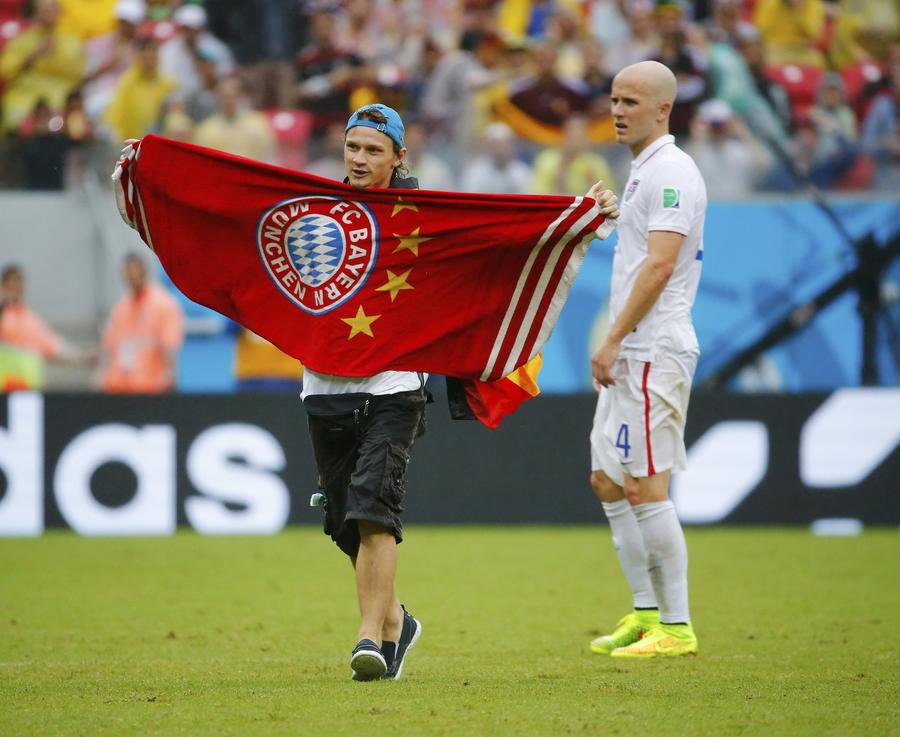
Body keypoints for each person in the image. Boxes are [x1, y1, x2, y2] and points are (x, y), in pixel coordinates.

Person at [306, 103, 619, 680]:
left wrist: (577, 217)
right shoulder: (313, 212)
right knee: (346, 525)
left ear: (401, 157)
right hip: (323, 382)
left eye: (374, 150)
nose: (359, 158)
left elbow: (499, 235)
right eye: (353, 147)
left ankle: (368, 640)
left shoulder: (429, 218)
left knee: (374, 507)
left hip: (397, 382)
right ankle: (398, 620)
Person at [588, 60, 707, 658]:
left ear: (663, 109)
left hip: (651, 348)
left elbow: (660, 265)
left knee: (644, 485)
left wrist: (613, 338)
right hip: (631, 350)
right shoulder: (642, 172)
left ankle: (677, 627)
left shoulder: (672, 174)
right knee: (608, 479)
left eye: (631, 101)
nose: (617, 110)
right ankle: (644, 611)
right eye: (614, 99)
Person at [101, 252, 184, 393]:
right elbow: (109, 348)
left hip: (151, 388)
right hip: (119, 388)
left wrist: (171, 379)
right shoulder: (120, 308)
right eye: (128, 273)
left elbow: (169, 346)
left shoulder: (163, 305)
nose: (131, 277)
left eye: (134, 271)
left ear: (144, 272)